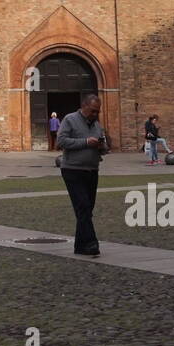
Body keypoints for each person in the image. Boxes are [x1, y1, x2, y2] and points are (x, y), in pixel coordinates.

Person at [57, 94, 108, 256]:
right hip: (72, 170)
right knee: (83, 206)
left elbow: (105, 147)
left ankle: (80, 246)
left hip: (92, 170)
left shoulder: (97, 125)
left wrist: (102, 146)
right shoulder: (70, 120)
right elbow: (61, 141)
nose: (95, 114)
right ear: (84, 106)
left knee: (86, 209)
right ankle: (92, 243)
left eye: (97, 112)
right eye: (93, 111)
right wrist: (86, 142)